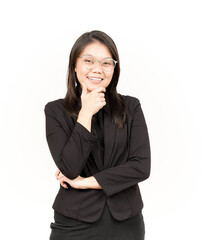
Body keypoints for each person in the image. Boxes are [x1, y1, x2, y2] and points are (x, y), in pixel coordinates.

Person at [44, 30, 151, 240]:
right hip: (73, 223)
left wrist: (84, 182)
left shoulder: (131, 107)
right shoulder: (55, 111)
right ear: (74, 65)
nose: (97, 69)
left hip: (126, 223)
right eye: (89, 61)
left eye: (106, 63)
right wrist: (85, 113)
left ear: (114, 68)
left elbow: (140, 167)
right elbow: (70, 168)